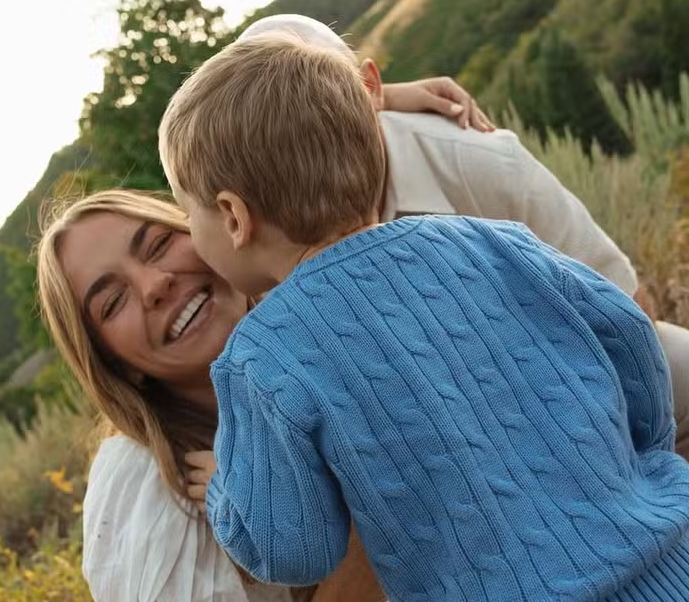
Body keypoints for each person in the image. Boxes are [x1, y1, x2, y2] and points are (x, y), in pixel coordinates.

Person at [157, 31, 689, 602]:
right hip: (672, 587)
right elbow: (630, 339)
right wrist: (637, 465)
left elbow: (295, 545)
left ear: (234, 217)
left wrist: (229, 496)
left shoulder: (259, 357)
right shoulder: (495, 241)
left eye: (188, 211)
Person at [37, 76, 494, 602]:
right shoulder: (149, 493)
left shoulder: (339, 334)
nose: (153, 286)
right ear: (113, 363)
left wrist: (378, 99)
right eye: (111, 302)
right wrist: (350, 586)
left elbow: (262, 108)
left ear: (220, 225)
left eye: (156, 246)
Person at [238, 14, 689, 458]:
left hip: (577, 386)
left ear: (369, 87)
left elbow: (628, 307)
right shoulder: (262, 242)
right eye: (278, 124)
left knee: (679, 358)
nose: (308, 133)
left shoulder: (478, 160)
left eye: (327, 99)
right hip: (444, 455)